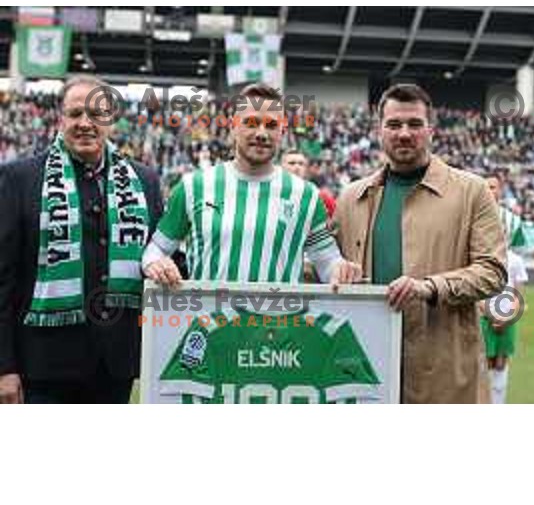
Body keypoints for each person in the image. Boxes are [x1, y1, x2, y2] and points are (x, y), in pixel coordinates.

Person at [332, 83, 507, 404]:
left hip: (443, 373)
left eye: (414, 124)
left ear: (431, 130)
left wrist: (430, 287)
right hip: (364, 369)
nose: (404, 133)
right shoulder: (351, 197)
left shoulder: (473, 191)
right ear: (379, 130)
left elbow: (493, 271)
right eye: (394, 124)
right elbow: (325, 269)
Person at [0, 75, 164, 404]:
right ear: (60, 118)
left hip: (115, 364)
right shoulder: (19, 178)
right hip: (42, 364)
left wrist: (167, 264)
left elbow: (158, 253)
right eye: (75, 114)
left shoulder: (144, 180)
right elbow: (3, 279)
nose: (85, 123)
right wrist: (4, 367)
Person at [143, 83, 361, 287]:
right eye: (251, 123)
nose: (261, 133)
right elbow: (157, 249)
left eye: (271, 125)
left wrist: (341, 270)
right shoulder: (193, 187)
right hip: (210, 325)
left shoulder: (306, 195)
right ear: (233, 127)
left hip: (278, 326)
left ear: (282, 132)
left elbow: (327, 262)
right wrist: (155, 263)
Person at [480, 173, 529, 404]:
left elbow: (518, 269)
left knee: (501, 360)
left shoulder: (513, 221)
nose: (491, 191)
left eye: (494, 187)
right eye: (486, 186)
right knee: (483, 360)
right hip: (482, 306)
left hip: (507, 307)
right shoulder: (471, 214)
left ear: (500, 190)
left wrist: (509, 313)